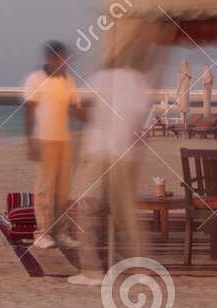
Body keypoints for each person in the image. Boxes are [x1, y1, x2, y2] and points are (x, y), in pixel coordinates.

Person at [67, 50, 154, 286]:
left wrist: (86, 117)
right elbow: (138, 127)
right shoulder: (138, 82)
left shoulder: (103, 77)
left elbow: (82, 107)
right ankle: (140, 269)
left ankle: (92, 271)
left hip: (98, 152)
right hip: (123, 154)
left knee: (84, 209)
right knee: (126, 214)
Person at [23, 42, 79, 250]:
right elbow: (29, 111)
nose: (64, 63)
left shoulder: (68, 80)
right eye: (60, 59)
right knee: (44, 190)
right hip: (44, 140)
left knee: (62, 190)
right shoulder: (36, 79)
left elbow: (75, 108)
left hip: (64, 141)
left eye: (65, 59)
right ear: (50, 58)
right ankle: (42, 234)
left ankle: (60, 232)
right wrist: (30, 142)